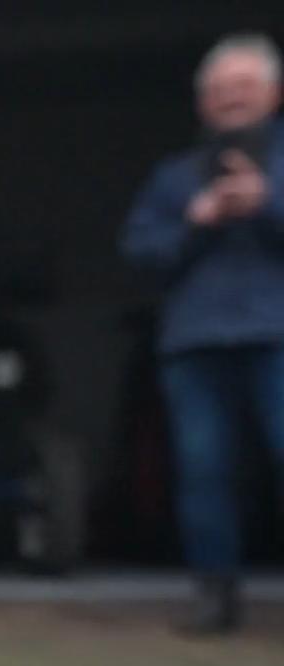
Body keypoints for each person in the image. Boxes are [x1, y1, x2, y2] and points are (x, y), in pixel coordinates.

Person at [121, 33, 284, 635]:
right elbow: (139, 253)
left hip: (277, 336)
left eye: (243, 86)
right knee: (203, 471)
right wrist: (197, 220)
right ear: (202, 103)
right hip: (195, 344)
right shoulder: (174, 178)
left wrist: (268, 204)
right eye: (218, 90)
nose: (230, 98)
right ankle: (215, 597)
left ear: (273, 94)